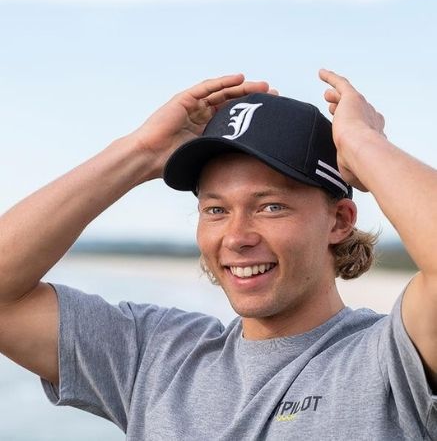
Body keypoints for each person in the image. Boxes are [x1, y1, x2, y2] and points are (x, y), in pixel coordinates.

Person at [0, 70, 436, 440]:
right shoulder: (154, 356)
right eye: (215, 209)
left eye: (270, 206)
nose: (236, 236)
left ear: (339, 220)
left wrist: (364, 145)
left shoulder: (392, 360)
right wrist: (139, 153)